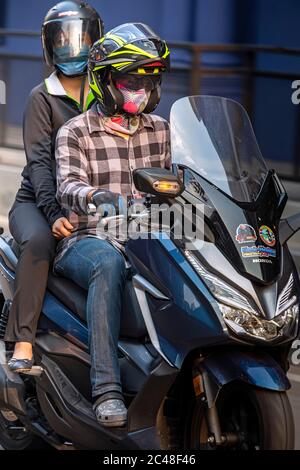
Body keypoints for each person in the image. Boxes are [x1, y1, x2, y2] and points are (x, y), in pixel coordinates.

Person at [54, 23, 171, 426]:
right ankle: (106, 389)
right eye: (129, 79)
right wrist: (94, 196)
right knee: (108, 263)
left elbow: (187, 180)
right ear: (105, 82)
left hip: (147, 237)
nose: (140, 88)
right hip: (87, 238)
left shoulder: (162, 131)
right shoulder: (76, 131)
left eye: (148, 79)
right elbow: (67, 185)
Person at [5, 1, 104, 372]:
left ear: (97, 41)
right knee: (40, 242)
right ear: (49, 45)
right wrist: (53, 214)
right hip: (37, 202)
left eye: (80, 38)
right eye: (61, 40)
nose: (72, 47)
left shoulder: (106, 94)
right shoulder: (40, 97)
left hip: (91, 201)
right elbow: (40, 165)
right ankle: (24, 342)